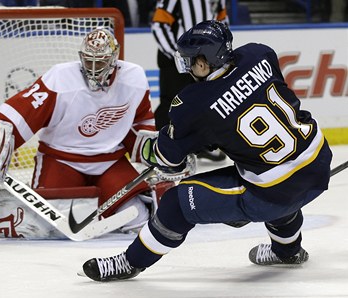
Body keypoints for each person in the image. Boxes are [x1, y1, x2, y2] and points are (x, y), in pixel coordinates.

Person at [80, 20, 333, 281]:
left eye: (190, 60)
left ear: (204, 61)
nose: (188, 67)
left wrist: (154, 150)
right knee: (274, 178)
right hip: (317, 164)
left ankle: (129, 262)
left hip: (271, 194)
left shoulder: (194, 103)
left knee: (177, 204)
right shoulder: (260, 53)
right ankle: (287, 251)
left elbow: (169, 160)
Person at [0, 28, 159, 233]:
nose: (92, 68)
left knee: (138, 220)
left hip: (110, 162)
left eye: (99, 62)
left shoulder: (133, 78)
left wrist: (154, 152)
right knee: (49, 227)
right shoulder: (61, 78)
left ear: (113, 59)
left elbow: (140, 121)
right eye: (87, 60)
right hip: (62, 161)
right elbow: (22, 112)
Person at [151, 0, 229, 161]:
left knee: (203, 102)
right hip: (176, 59)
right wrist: (180, 55)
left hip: (205, 59)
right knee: (173, 102)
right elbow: (159, 25)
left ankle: (200, 146)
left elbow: (221, 21)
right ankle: (159, 148)